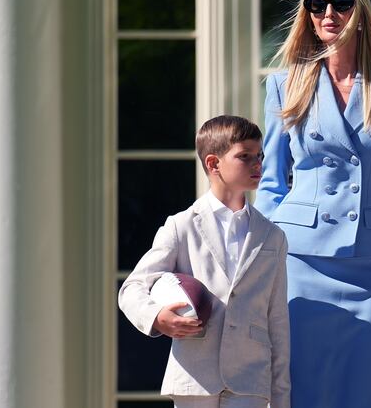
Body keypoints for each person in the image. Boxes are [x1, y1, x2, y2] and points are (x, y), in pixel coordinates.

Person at [255, 0, 371, 408]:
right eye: (317, 5)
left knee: (361, 391)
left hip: (368, 262)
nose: (329, 13)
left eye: (341, 3)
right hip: (300, 260)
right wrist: (265, 262)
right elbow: (271, 184)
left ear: (361, 13)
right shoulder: (283, 85)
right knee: (303, 390)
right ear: (309, 16)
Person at [119, 115, 290, 408]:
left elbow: (278, 324)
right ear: (213, 164)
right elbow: (132, 288)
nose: (257, 164)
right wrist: (157, 317)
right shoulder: (181, 226)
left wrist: (281, 398)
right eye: (244, 157)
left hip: (250, 381)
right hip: (194, 378)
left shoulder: (273, 237)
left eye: (259, 155)